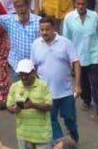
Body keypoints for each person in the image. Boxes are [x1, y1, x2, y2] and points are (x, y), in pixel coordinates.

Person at [29, 15, 80, 145]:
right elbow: (33, 67)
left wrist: (78, 85)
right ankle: (60, 144)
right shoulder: (35, 45)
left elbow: (76, 62)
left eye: (47, 29)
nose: (44, 32)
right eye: (42, 30)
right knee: (51, 121)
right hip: (46, 95)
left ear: (54, 29)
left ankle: (73, 137)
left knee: (69, 118)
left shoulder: (65, 43)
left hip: (66, 92)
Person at [62, 0, 98, 122]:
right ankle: (87, 100)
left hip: (93, 55)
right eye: (78, 4)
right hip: (77, 59)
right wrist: (68, 60)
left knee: (96, 83)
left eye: (83, 4)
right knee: (83, 83)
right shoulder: (69, 19)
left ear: (86, 3)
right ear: (74, 4)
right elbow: (66, 40)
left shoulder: (94, 16)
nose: (81, 6)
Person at [5, 59, 53, 149]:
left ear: (33, 72)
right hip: (23, 135)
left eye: (26, 74)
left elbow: (49, 106)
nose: (23, 77)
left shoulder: (43, 85)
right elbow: (9, 106)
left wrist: (33, 105)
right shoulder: (14, 87)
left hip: (42, 135)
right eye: (21, 74)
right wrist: (14, 109)